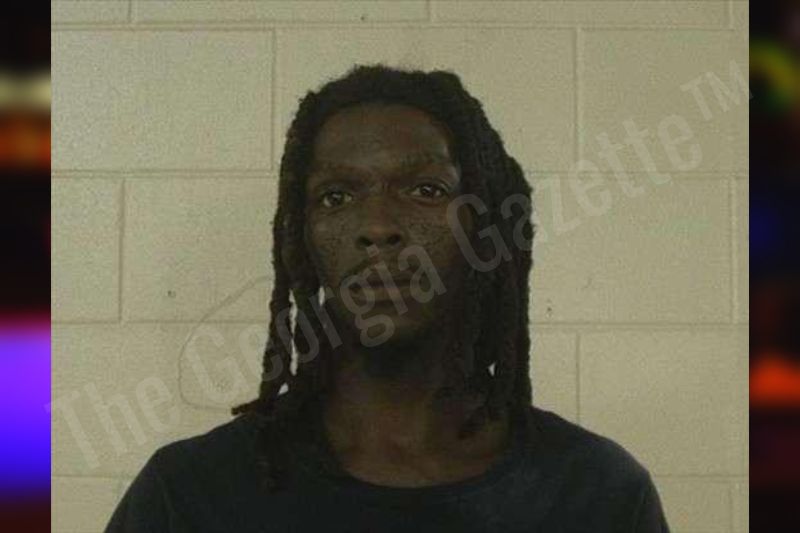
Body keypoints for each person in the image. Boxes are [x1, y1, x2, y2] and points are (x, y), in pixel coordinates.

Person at [105, 64, 670, 532]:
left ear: (483, 231)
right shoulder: (191, 495)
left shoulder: (596, 495)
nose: (377, 225)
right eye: (336, 196)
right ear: (302, 240)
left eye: (426, 190)